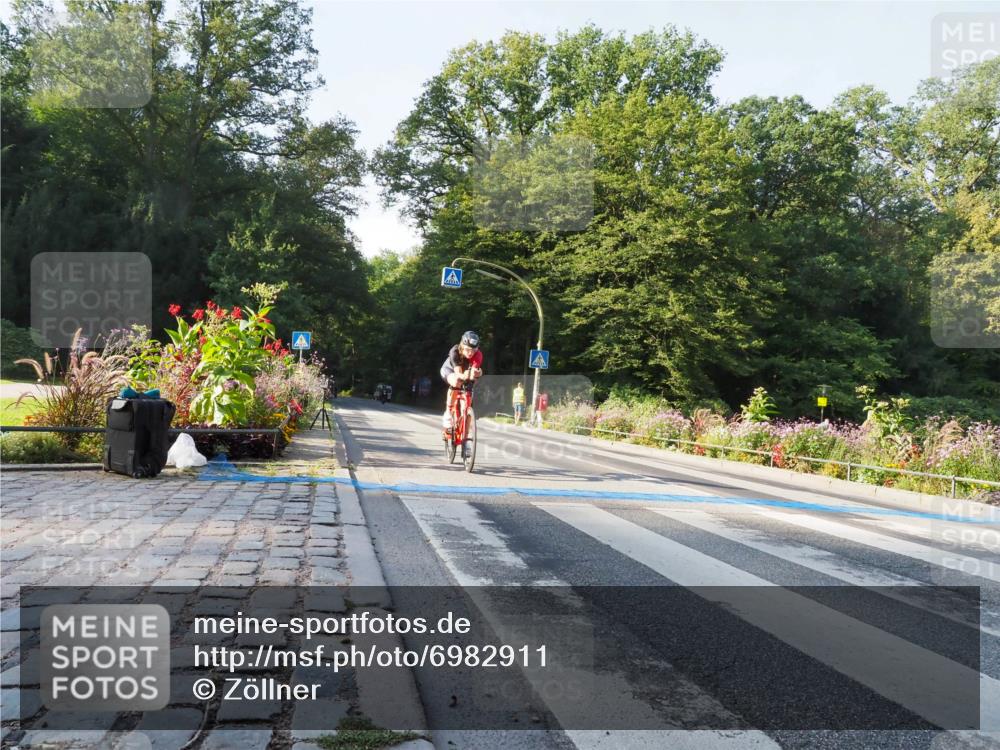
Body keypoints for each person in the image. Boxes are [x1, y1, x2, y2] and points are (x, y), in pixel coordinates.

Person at [441, 331, 483, 434]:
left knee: (468, 405)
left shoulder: (478, 355)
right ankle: (448, 412)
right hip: (450, 371)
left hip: (465, 372)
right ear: (462, 345)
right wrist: (465, 375)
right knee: (456, 382)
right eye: (468, 350)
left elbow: (474, 370)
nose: (470, 353)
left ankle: (466, 437)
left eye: (473, 350)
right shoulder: (455, 351)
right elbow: (458, 373)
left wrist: (477, 373)